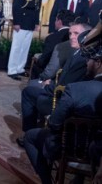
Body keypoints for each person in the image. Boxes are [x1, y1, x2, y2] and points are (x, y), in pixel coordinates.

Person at [23, 40, 102, 184]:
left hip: (69, 149)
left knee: (29, 137)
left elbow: (54, 123)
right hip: (96, 153)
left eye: (89, 60)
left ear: (98, 63)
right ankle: (79, 178)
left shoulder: (75, 89)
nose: (86, 63)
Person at [16, 23, 90, 147]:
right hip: (61, 94)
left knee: (28, 93)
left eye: (76, 34)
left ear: (87, 36)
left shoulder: (81, 58)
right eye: (70, 33)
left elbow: (68, 86)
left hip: (61, 103)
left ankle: (29, 134)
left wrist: (48, 86)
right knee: (30, 90)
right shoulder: (77, 53)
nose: (71, 37)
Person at [8, 0, 46, 80]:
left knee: (25, 47)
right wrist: (16, 22)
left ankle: (20, 68)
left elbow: (37, 7)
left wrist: (36, 22)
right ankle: (12, 70)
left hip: (30, 21)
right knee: (17, 46)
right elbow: (16, 6)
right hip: (22, 20)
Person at [31, 10, 75, 79]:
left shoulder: (52, 38)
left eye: (55, 20)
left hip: (51, 75)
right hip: (69, 73)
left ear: (59, 22)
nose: (54, 23)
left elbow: (43, 60)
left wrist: (38, 60)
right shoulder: (76, 37)